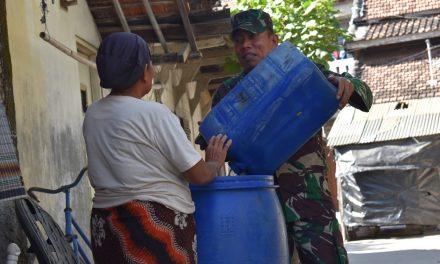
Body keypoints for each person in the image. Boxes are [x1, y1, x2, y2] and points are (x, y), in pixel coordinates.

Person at [196, 9, 373, 264]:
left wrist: (347, 85)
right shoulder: (228, 94)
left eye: (253, 37)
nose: (245, 45)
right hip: (260, 206)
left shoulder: (303, 73)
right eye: (238, 39)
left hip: (309, 201)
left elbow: (366, 96)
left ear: (274, 40)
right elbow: (211, 146)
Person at [83, 32, 232, 264]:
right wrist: (214, 161)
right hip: (153, 226)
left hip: (107, 226)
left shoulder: (93, 114)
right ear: (144, 71)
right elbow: (199, 175)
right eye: (150, 64)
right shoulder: (153, 114)